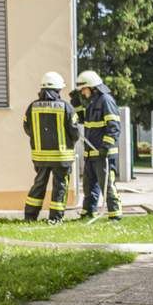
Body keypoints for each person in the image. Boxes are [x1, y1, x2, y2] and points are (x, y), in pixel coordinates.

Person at [22, 72, 80, 223]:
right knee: (60, 185)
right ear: (58, 89)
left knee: (39, 183)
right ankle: (55, 218)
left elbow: (27, 129)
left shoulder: (32, 107)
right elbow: (74, 132)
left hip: (40, 156)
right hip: (62, 156)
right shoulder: (65, 107)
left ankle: (30, 216)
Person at [75, 70, 122, 220]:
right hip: (91, 153)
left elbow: (114, 126)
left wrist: (105, 147)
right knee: (89, 186)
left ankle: (115, 214)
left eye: (83, 89)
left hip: (103, 153)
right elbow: (81, 120)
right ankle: (88, 212)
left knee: (107, 185)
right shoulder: (92, 103)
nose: (82, 92)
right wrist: (75, 104)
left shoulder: (106, 100)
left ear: (92, 87)